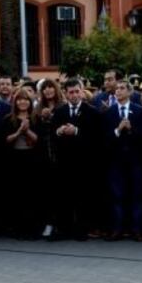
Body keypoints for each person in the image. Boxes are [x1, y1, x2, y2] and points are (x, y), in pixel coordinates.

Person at [52, 78, 99, 241]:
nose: (74, 95)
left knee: (83, 197)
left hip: (84, 162)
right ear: (65, 94)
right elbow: (52, 135)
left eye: (77, 91)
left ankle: (82, 230)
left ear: (82, 91)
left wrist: (77, 131)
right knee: (64, 196)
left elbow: (96, 137)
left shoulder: (92, 111)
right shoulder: (59, 111)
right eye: (70, 92)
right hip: (64, 162)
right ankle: (64, 229)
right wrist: (59, 131)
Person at [103, 81, 142, 241]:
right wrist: (118, 130)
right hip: (116, 160)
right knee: (117, 195)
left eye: (122, 88)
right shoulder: (110, 112)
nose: (118, 91)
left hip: (135, 160)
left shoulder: (139, 111)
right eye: (116, 89)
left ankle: (137, 229)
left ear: (129, 92)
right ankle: (117, 229)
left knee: (137, 194)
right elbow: (105, 138)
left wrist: (131, 129)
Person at [3, 86, 40, 238]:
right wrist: (19, 131)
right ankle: (18, 228)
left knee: (31, 194)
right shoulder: (8, 119)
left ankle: (32, 228)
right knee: (17, 194)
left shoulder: (35, 118)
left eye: (25, 99)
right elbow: (6, 139)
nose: (23, 102)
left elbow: (39, 140)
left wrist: (28, 131)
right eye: (20, 99)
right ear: (15, 102)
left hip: (32, 158)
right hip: (15, 159)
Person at [34, 80, 64, 239]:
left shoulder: (63, 106)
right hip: (43, 154)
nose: (48, 90)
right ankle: (48, 223)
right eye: (44, 88)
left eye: (50, 87)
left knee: (60, 192)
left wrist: (52, 118)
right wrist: (43, 119)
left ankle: (60, 224)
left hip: (60, 154)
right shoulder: (37, 109)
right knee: (46, 192)